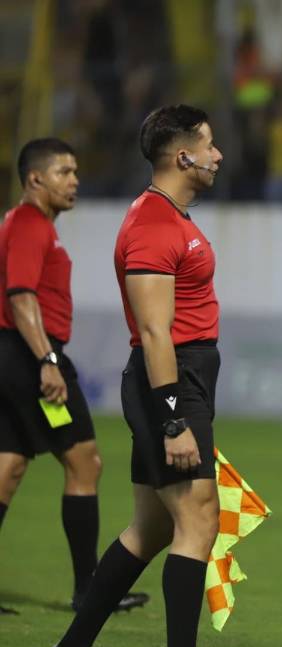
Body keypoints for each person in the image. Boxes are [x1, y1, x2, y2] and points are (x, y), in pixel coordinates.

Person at [42, 104, 225, 647]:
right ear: (183, 155)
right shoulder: (152, 225)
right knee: (199, 521)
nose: (218, 155)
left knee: (150, 529)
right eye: (209, 144)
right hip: (169, 385)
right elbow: (153, 331)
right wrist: (173, 418)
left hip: (178, 379)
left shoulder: (170, 217)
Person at [0, 138, 149, 617]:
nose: (74, 180)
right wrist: (48, 361)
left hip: (15, 355)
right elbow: (21, 296)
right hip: (28, 357)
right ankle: (89, 591)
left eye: (76, 171)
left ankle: (89, 589)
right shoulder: (28, 223)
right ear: (35, 179)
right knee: (86, 462)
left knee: (8, 466)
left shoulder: (27, 224)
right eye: (64, 171)